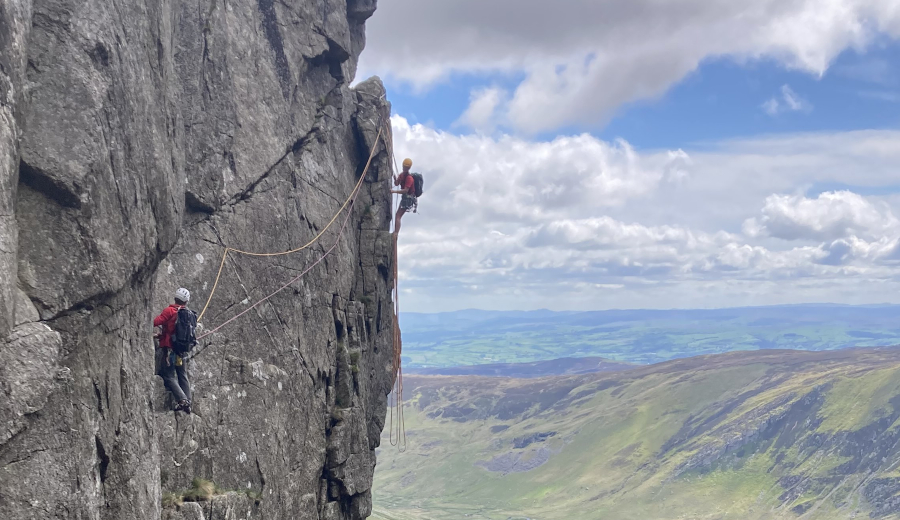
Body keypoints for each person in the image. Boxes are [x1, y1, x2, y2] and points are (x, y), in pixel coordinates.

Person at [154, 287, 193, 413]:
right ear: (186, 301)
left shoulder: (170, 311)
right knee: (182, 374)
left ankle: (182, 400)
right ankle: (188, 401)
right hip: (182, 350)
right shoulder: (188, 315)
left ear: (175, 298)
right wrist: (161, 335)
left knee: (169, 376)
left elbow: (155, 321)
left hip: (169, 351)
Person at [392, 158, 417, 235]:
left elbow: (405, 190)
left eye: (406, 167)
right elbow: (396, 183)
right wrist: (395, 178)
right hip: (406, 197)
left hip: (409, 198)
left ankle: (396, 233)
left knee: (398, 215)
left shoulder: (409, 178)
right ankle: (396, 232)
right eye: (404, 167)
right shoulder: (402, 175)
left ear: (408, 168)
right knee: (398, 215)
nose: (404, 168)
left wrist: (394, 191)